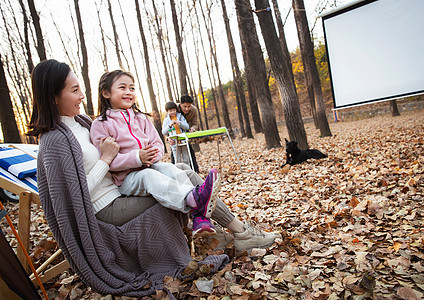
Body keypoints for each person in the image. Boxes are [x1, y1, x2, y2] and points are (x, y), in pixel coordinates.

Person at [27, 59, 279, 296]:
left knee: (187, 172)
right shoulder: (54, 140)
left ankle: (239, 232)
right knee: (182, 184)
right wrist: (105, 159)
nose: (82, 96)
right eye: (74, 91)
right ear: (53, 96)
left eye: (80, 89)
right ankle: (239, 233)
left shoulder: (81, 123)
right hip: (106, 207)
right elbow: (74, 196)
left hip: (123, 190)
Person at [90, 70, 216, 235]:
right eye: (122, 87)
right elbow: (108, 161)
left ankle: (198, 215)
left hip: (150, 165)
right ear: (106, 93)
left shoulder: (141, 118)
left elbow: (157, 144)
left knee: (171, 169)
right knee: (149, 176)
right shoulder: (101, 124)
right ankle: (194, 201)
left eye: (132, 88)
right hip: (127, 179)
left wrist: (150, 157)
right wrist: (137, 158)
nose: (128, 92)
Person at [171, 94, 200, 172]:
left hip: (186, 130)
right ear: (180, 104)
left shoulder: (194, 110)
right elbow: (168, 123)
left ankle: (194, 170)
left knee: (189, 149)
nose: (187, 109)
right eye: (185, 106)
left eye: (189, 106)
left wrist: (193, 128)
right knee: (174, 152)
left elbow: (195, 123)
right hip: (175, 132)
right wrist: (169, 136)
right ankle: (174, 172)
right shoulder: (174, 108)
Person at [162, 101, 192, 167]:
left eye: (174, 110)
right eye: (170, 111)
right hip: (174, 143)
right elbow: (164, 132)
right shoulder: (166, 120)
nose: (172, 112)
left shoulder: (180, 116)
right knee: (177, 160)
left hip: (183, 140)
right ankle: (180, 174)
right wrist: (169, 126)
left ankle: (188, 173)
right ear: (167, 111)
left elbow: (187, 127)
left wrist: (180, 123)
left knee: (186, 159)